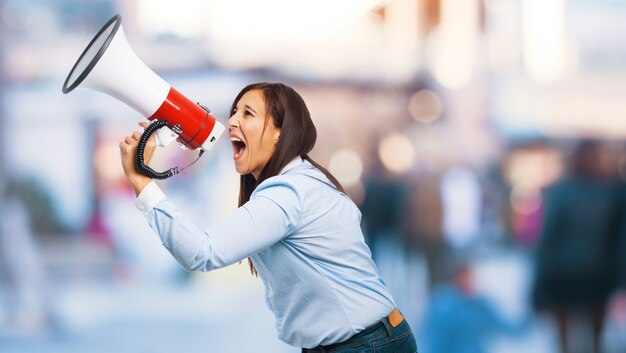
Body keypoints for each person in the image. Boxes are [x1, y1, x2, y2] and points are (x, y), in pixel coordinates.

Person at [119, 82, 418, 352]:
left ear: (279, 133)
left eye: (248, 114)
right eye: (234, 111)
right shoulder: (299, 181)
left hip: (366, 345)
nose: (232, 121)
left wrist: (143, 184)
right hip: (363, 342)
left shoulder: (289, 191)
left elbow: (201, 252)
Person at [532, 139, 622, 353]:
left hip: (594, 275)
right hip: (573, 275)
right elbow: (549, 238)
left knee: (591, 338)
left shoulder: (610, 192)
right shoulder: (601, 192)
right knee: (573, 339)